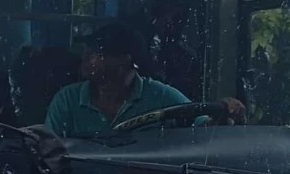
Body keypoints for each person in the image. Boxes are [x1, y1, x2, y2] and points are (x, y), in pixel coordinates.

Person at [45, 21, 247, 138]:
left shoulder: (161, 96)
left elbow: (204, 131)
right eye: (88, 51)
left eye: (98, 53)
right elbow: (47, 152)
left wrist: (224, 114)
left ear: (125, 60)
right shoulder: (67, 100)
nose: (87, 58)